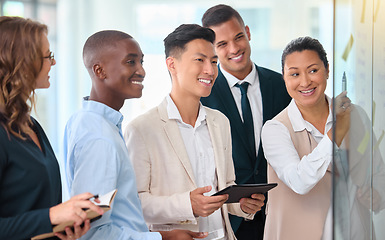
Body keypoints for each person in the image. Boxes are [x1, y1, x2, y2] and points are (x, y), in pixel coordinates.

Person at [124, 24, 265, 240]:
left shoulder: (220, 122)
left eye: (214, 61)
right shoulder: (142, 129)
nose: (210, 70)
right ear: (172, 64)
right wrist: (187, 204)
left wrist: (243, 205)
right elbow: (135, 202)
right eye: (200, 60)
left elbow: (225, 189)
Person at [64, 30, 207, 240]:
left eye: (141, 61)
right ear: (99, 70)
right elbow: (93, 233)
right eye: (130, 62)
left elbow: (117, 214)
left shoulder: (89, 121)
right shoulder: (99, 137)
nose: (141, 71)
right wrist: (164, 238)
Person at [0, 16, 103, 240]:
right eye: (48, 56)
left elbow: (33, 211)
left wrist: (60, 227)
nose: (53, 63)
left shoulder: (31, 125)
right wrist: (51, 217)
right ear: (22, 62)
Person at [199, 4, 291, 239]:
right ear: (212, 49)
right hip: (230, 221)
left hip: (280, 214)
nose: (234, 48)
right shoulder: (203, 95)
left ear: (248, 33)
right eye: (221, 44)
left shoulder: (282, 85)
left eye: (239, 37)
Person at [261, 36, 351, 240]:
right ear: (284, 78)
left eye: (313, 70)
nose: (305, 82)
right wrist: (335, 134)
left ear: (327, 70)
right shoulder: (275, 129)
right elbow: (299, 181)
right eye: (294, 74)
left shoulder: (355, 116)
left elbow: (376, 175)